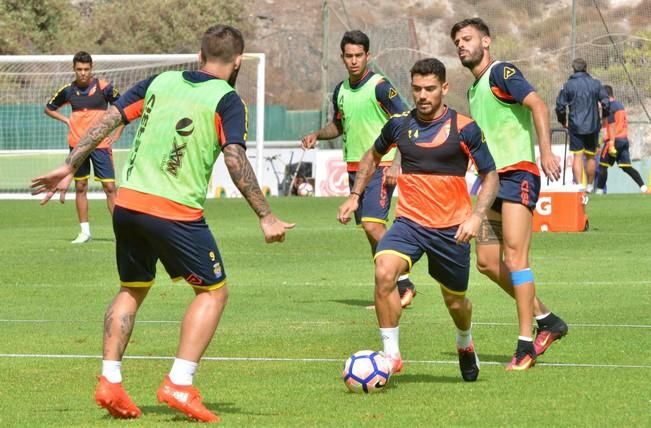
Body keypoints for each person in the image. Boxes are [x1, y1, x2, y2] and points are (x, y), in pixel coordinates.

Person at [31, 25, 294, 422]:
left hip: (129, 204)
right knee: (212, 293)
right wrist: (266, 214)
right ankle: (180, 383)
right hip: (174, 212)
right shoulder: (227, 99)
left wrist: (70, 164)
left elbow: (108, 119)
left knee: (132, 289)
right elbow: (235, 158)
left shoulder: (160, 80)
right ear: (238, 61)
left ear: (199, 52)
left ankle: (110, 380)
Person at [338, 58, 499, 382]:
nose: (422, 95)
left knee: (455, 303)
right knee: (384, 271)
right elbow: (372, 155)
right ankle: (392, 355)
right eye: (417, 89)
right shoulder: (399, 124)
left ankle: (464, 342)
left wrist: (476, 218)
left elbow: (490, 176)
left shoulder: (464, 128)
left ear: (444, 88)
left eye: (429, 89)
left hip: (453, 229)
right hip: (409, 223)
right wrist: (356, 195)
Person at [451, 18, 568, 370]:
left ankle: (525, 345)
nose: (461, 45)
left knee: (516, 259)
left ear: (486, 41)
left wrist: (545, 151)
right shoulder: (474, 90)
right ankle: (546, 319)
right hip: (491, 183)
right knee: (487, 262)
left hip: (518, 176)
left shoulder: (502, 73)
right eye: (457, 40)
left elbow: (538, 105)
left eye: (467, 38)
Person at [301, 30, 417, 308]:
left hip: (382, 164)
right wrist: (317, 134)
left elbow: (405, 120)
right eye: (349, 56)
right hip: (355, 169)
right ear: (342, 58)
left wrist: (397, 162)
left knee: (373, 224)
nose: (354, 61)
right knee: (369, 232)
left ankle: (404, 283)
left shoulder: (379, 86)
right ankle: (387, 291)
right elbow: (339, 126)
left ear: (368, 56)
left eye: (358, 56)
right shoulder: (340, 90)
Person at [45, 51, 124, 243]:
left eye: (86, 69)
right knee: (80, 186)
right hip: (77, 146)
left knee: (110, 187)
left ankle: (122, 234)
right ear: (74, 69)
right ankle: (85, 232)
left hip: (100, 144)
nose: (83, 73)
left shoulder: (103, 87)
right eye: (79, 69)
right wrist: (66, 120)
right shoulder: (68, 90)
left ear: (91, 69)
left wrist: (117, 132)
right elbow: (49, 108)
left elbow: (122, 107)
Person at [555, 57, 610, 192]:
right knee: (591, 156)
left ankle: (579, 186)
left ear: (573, 69)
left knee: (577, 156)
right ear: (586, 68)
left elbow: (560, 106)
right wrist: (604, 118)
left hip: (575, 125)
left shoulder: (568, 85)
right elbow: (606, 101)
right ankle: (590, 186)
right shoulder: (596, 84)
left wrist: (563, 121)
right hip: (592, 125)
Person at [596, 85, 648, 194]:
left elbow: (612, 125)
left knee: (602, 166)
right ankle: (644, 188)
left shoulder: (608, 106)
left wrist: (611, 143)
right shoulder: (620, 105)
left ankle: (599, 192)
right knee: (627, 167)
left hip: (614, 140)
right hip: (624, 140)